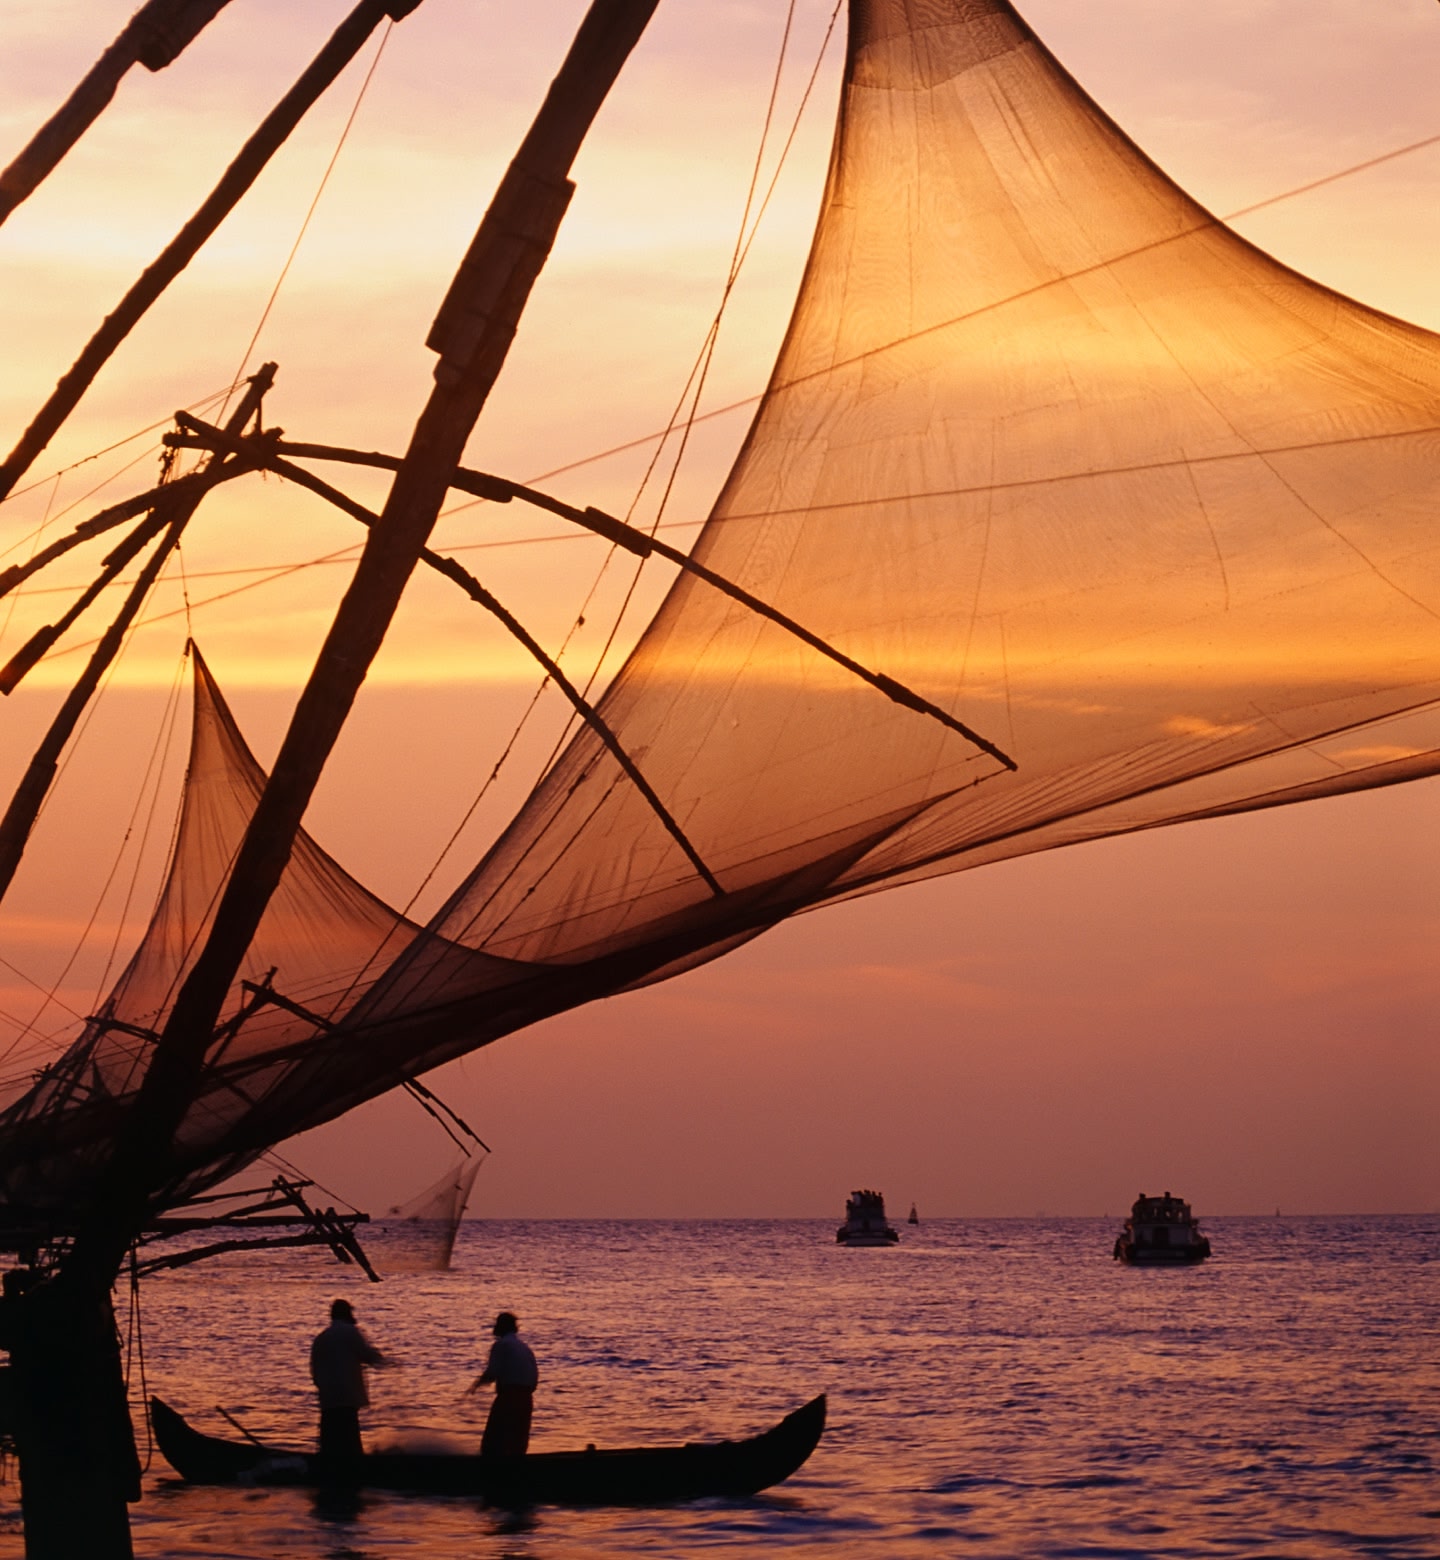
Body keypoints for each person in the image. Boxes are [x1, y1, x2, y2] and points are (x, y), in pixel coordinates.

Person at [309, 1298, 386, 1472]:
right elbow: (368, 1356)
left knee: (329, 1441)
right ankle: (354, 1471)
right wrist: (386, 1361)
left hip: (328, 1398)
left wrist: (323, 1388)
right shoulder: (351, 1332)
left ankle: (327, 1470)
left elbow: (314, 1370)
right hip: (347, 1397)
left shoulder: (321, 1338)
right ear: (347, 1314)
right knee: (350, 1440)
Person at [466, 1310, 538, 1456]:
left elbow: (492, 1372)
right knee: (518, 1442)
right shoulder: (524, 1347)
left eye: (497, 1324)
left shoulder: (501, 1345)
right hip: (527, 1398)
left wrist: (476, 1385)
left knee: (493, 1441)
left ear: (501, 1327)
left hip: (509, 1396)